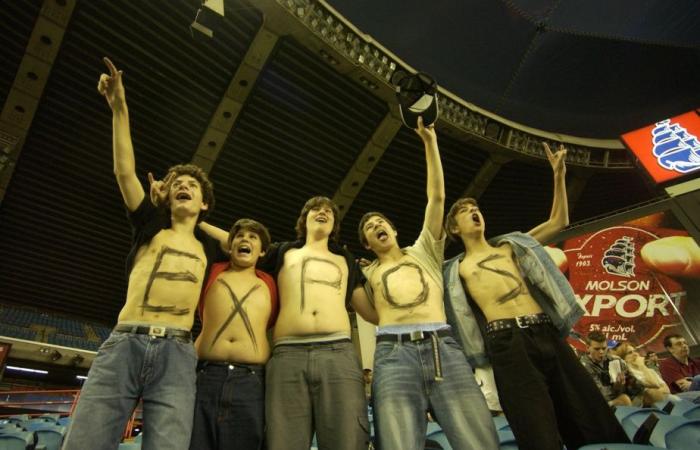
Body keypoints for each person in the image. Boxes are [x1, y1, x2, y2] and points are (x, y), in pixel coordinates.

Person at [63, 58, 227, 450]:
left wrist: (195, 218)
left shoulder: (208, 244)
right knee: (85, 442)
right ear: (166, 195)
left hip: (178, 352)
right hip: (125, 342)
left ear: (205, 203)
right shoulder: (149, 226)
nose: (183, 186)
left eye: (192, 186)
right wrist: (119, 108)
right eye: (177, 184)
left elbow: (245, 241)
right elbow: (124, 172)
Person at [442, 142, 629, 450]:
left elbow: (558, 222)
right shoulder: (456, 269)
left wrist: (558, 175)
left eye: (476, 208)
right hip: (507, 343)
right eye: (465, 211)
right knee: (536, 427)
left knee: (588, 413)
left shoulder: (511, 247)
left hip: (545, 331)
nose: (474, 212)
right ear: (453, 227)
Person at [358, 117, 497, 450]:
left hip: (443, 347)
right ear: (368, 244)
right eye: (370, 228)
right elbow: (369, 314)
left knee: (478, 441)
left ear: (394, 231)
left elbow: (436, 199)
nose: (378, 226)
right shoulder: (367, 273)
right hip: (392, 355)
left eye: (382, 223)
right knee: (398, 443)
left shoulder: (424, 250)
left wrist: (430, 142)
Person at [189, 219, 277, 450]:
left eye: (253, 237)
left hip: (251, 381)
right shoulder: (211, 270)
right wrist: (199, 219)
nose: (245, 240)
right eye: (238, 236)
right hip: (205, 374)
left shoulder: (271, 281)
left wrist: (240, 237)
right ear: (228, 245)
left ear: (264, 251)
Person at [580, 332, 644, 406]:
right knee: (624, 399)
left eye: (604, 348)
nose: (601, 352)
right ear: (588, 348)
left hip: (616, 396)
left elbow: (638, 383)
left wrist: (633, 378)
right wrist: (616, 387)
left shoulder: (614, 360)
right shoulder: (583, 366)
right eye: (597, 349)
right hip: (595, 404)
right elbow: (601, 394)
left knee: (650, 393)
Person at [612, 342, 670, 406]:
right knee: (652, 393)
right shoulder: (627, 374)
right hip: (639, 405)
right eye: (630, 353)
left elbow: (666, 389)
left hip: (662, 401)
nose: (635, 354)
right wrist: (642, 366)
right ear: (623, 358)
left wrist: (642, 367)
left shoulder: (649, 370)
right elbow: (654, 384)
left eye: (635, 351)